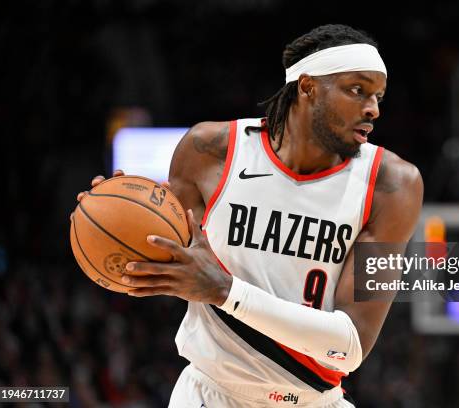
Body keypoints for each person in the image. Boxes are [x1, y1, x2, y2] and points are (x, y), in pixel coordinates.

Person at [77, 24, 423, 407]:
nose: (373, 109)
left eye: (378, 96)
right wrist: (117, 213)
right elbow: (165, 259)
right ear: (307, 87)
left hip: (313, 400)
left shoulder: (393, 185)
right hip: (210, 394)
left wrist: (228, 292)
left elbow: (350, 345)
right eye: (357, 90)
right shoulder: (209, 150)